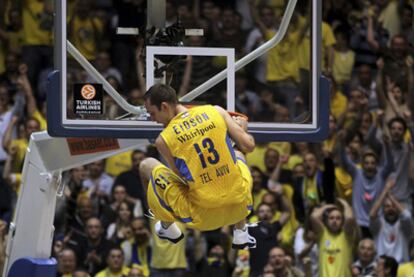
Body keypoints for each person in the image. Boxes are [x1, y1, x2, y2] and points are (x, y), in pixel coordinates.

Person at [139, 84, 255, 248]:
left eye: (153, 113)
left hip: (202, 218)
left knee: (146, 165)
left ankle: (167, 226)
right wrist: (240, 130)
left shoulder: (163, 140)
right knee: (237, 155)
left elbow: (180, 179)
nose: (153, 119)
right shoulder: (216, 111)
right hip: (241, 207)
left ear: (164, 106)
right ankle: (241, 232)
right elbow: (249, 145)